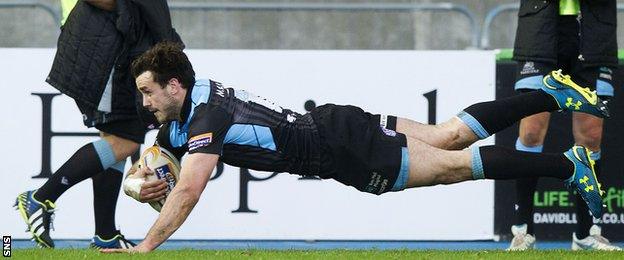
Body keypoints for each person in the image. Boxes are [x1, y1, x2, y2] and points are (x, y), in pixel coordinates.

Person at [103, 42, 608, 253]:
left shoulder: (207, 118)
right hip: (335, 123)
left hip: (340, 150)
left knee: (455, 165)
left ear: (174, 87)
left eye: (149, 92)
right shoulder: (192, 106)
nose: (144, 102)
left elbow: (188, 191)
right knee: (450, 134)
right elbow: (163, 163)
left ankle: (567, 166)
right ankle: (548, 93)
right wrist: (143, 181)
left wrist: (146, 247)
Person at [14, 0, 182, 249]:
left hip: (112, 45)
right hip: (106, 48)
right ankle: (41, 198)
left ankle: (105, 234)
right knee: (123, 141)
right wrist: (126, 11)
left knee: (114, 137)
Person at [507, 0, 620, 251]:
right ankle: (523, 230)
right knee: (531, 131)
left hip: (592, 33)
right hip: (540, 30)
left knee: (590, 136)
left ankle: (586, 234)